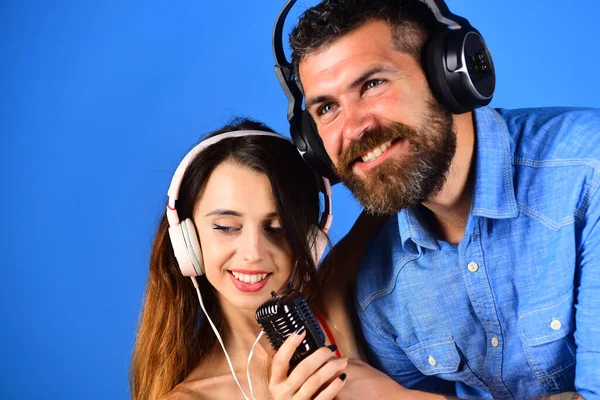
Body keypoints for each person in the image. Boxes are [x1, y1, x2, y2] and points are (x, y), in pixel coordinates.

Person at [281, 0, 600, 398]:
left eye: (373, 84)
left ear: (450, 74)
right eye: (328, 107)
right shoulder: (381, 292)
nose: (355, 129)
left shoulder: (589, 175)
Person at [129, 118, 426, 400]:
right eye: (226, 228)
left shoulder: (334, 306)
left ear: (312, 239)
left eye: (277, 228)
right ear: (187, 240)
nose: (253, 253)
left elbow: (407, 174)